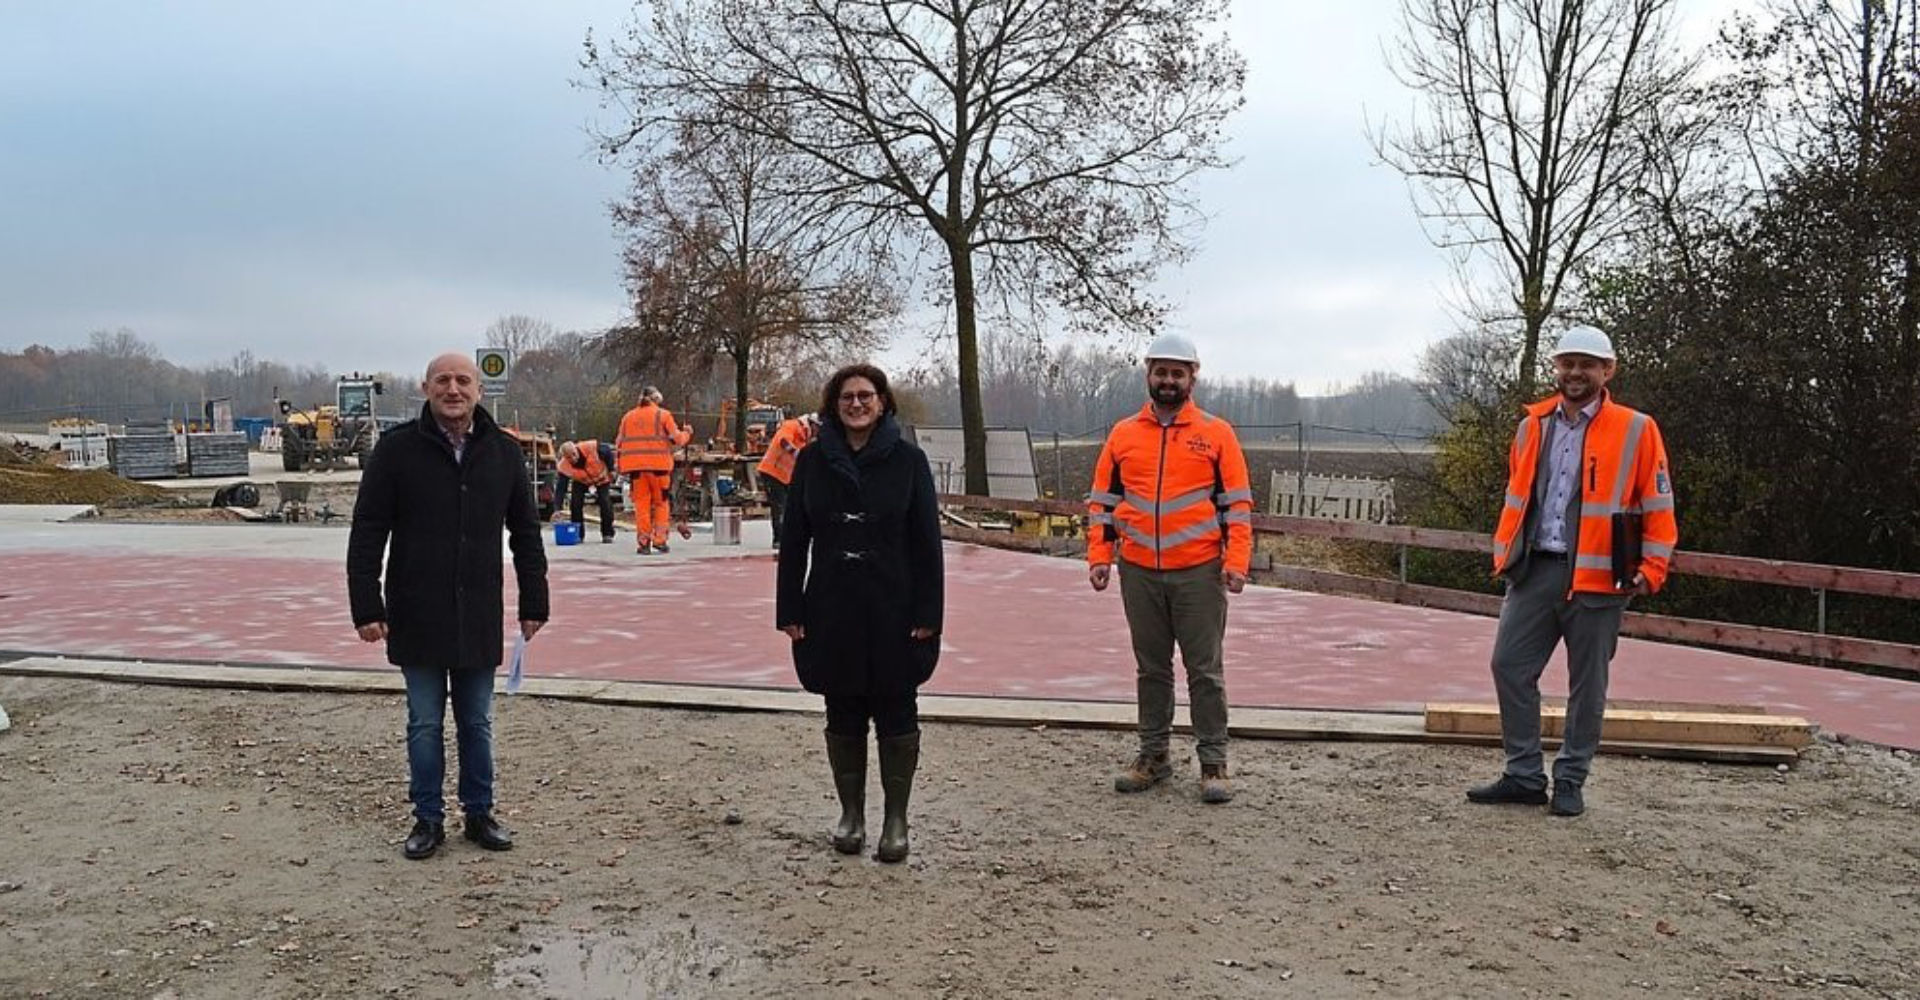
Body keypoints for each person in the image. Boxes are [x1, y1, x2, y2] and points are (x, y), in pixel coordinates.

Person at [1468, 325, 1678, 818]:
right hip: (1535, 569)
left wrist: (1653, 565)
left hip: (1601, 577)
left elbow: (1659, 502)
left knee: (1589, 684)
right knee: (1509, 667)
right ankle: (1523, 774)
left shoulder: (1636, 428)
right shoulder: (1532, 426)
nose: (1575, 372)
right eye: (1567, 363)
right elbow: (1522, 499)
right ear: (1556, 369)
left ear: (1608, 371)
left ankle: (1570, 779)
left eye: (1587, 364)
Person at [346, 352, 549, 860]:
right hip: (416, 611)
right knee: (424, 721)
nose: (453, 389)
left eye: (463, 381)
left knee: (477, 721)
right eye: (443, 381)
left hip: (477, 610)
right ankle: (427, 818)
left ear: (478, 389)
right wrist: (366, 604)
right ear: (426, 388)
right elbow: (368, 531)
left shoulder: (502, 454)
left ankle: (479, 812)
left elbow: (525, 532)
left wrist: (535, 599)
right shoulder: (396, 452)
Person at [776, 364, 943, 863]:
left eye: (865, 396)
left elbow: (927, 542)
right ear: (833, 404)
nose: (856, 404)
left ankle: (896, 820)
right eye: (847, 396)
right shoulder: (810, 461)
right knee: (842, 707)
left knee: (897, 707)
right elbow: (794, 540)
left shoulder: (910, 461)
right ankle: (851, 814)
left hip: (895, 603)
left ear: (883, 402)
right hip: (831, 603)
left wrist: (930, 609)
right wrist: (789, 607)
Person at [1087, 334, 1252, 804]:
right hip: (1138, 571)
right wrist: (1100, 557)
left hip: (1199, 572)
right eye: (1161, 371)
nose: (1168, 380)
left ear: (1192, 378)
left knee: (1205, 670)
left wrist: (1236, 562)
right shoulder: (1123, 435)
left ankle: (1213, 762)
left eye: (1177, 373)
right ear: (1148, 374)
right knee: (1151, 669)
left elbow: (1236, 507)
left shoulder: (1216, 434)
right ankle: (1153, 756)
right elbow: (1103, 505)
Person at [614, 386, 690, 554]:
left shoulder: (628, 417)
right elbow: (677, 439)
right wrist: (687, 433)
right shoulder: (663, 415)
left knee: (641, 506)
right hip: (659, 469)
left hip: (636, 471)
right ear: (657, 399)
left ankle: (643, 543)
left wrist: (619, 467)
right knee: (661, 504)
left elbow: (619, 443)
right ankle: (660, 540)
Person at [755, 411, 819, 547]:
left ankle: (793, 535)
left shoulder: (805, 439)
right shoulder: (792, 426)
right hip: (771, 471)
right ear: (812, 424)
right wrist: (798, 454)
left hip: (785, 476)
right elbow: (783, 441)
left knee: (793, 505)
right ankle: (779, 539)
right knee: (779, 506)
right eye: (817, 428)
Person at [558, 438, 618, 543]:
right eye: (568, 457)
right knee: (575, 503)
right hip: (581, 481)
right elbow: (561, 488)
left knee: (605, 502)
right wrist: (557, 508)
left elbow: (608, 452)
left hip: (602, 478)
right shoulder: (564, 466)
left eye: (573, 454)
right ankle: (578, 534)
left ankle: (607, 533)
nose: (573, 458)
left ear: (576, 449)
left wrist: (611, 469)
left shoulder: (591, 447)